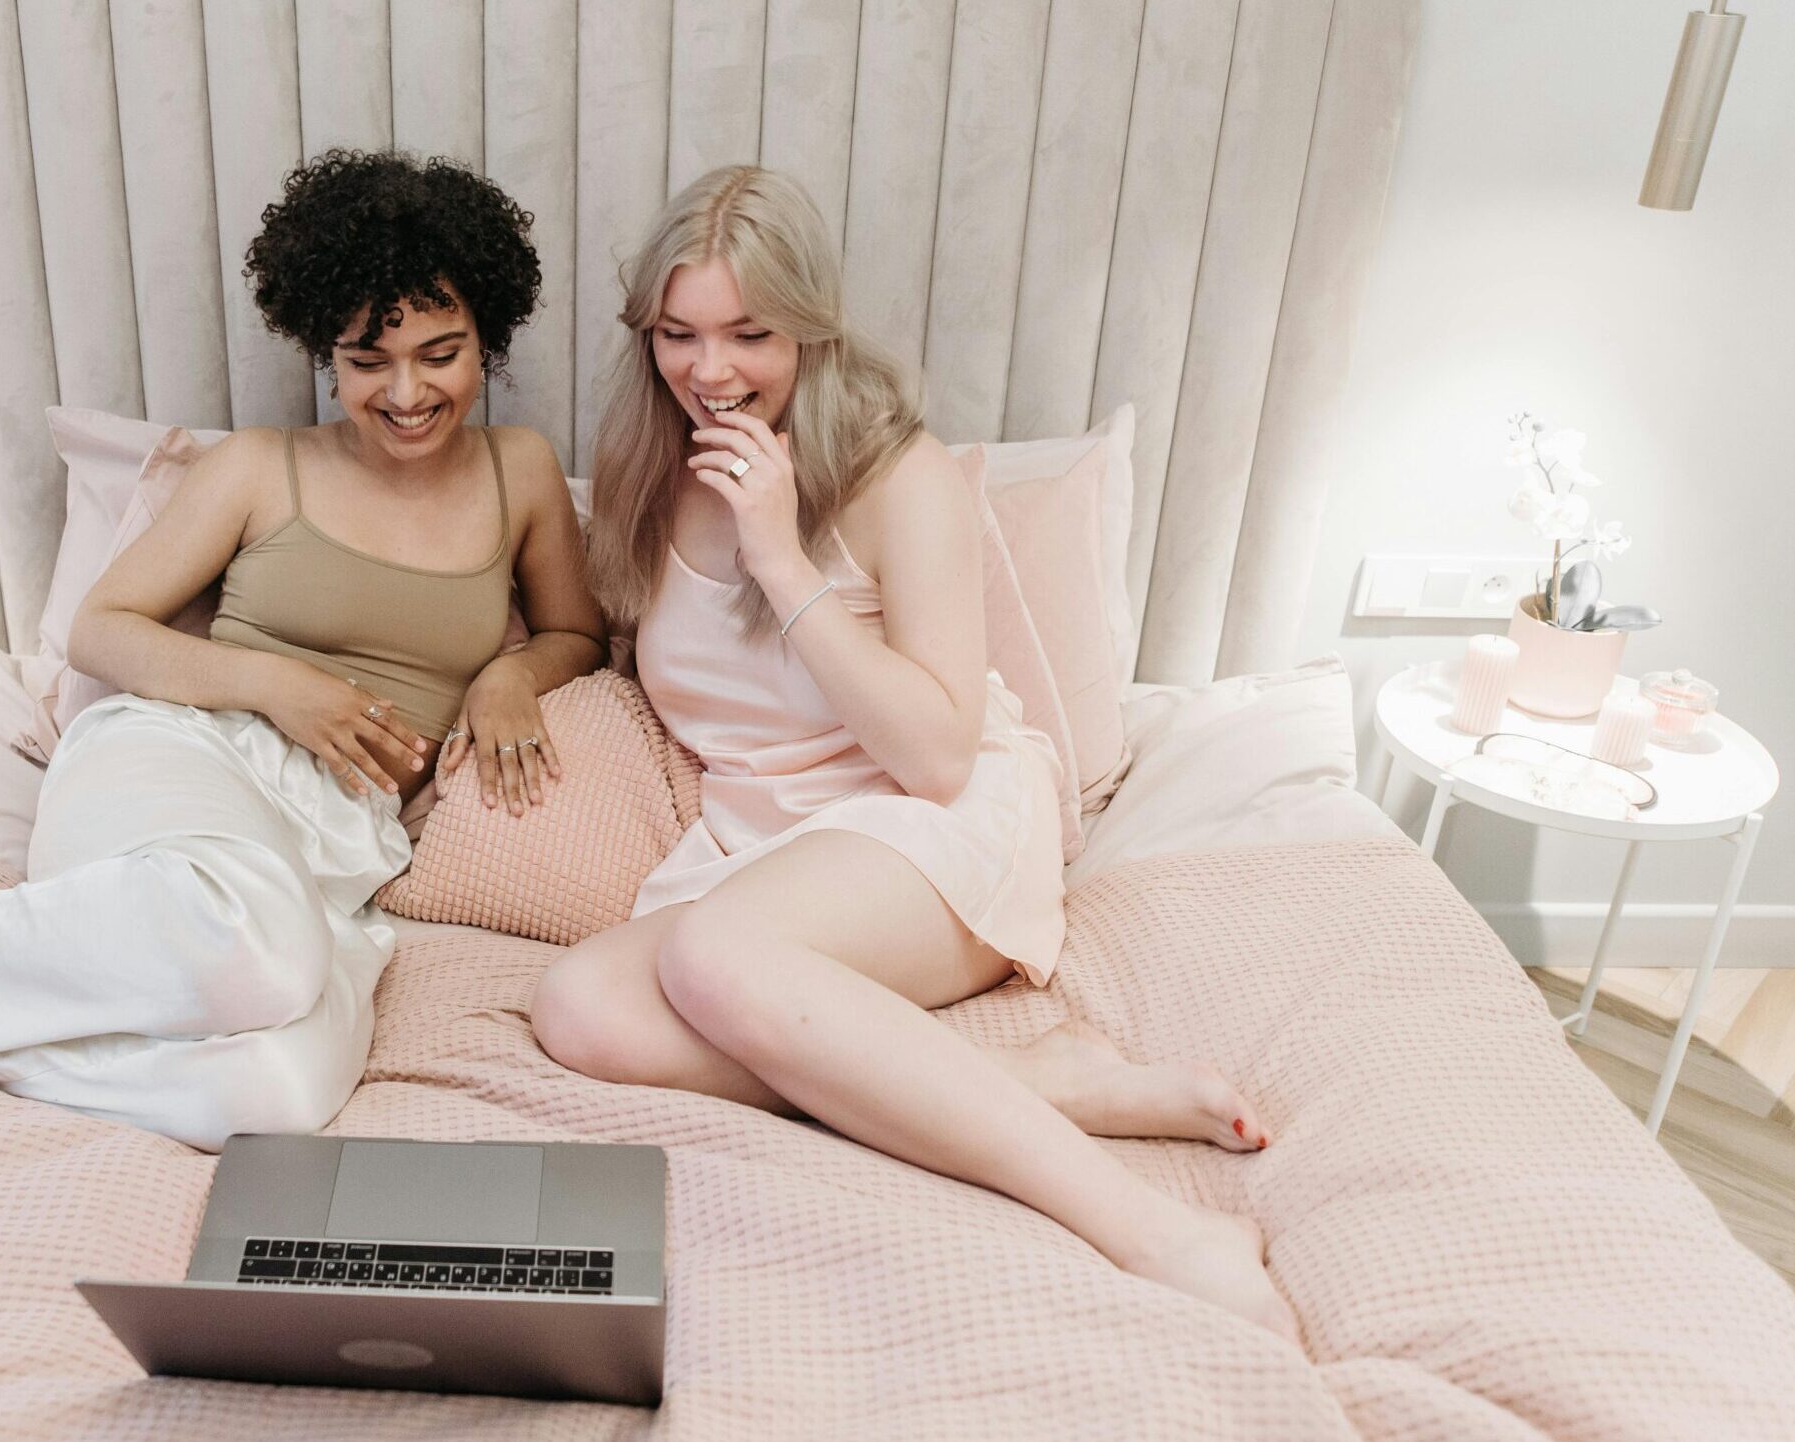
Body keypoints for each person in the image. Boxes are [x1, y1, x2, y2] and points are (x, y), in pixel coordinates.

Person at [0, 150, 605, 1147]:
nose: (406, 391)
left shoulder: (520, 470)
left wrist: (511, 671)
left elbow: (577, 630)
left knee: (282, 1088)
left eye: (440, 353)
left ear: (485, 339)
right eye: (369, 360)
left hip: (341, 839)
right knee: (258, 944)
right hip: (179, 758)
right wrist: (281, 685)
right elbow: (101, 627)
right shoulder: (257, 467)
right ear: (326, 351)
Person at [528, 166, 1299, 1342]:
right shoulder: (649, 468)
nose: (710, 369)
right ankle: (1045, 1080)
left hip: (928, 814)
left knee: (718, 955)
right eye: (677, 333)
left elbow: (936, 755)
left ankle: (1158, 1228)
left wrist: (784, 561)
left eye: (750, 333)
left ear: (813, 328)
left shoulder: (905, 478)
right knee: (579, 1004)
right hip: (766, 841)